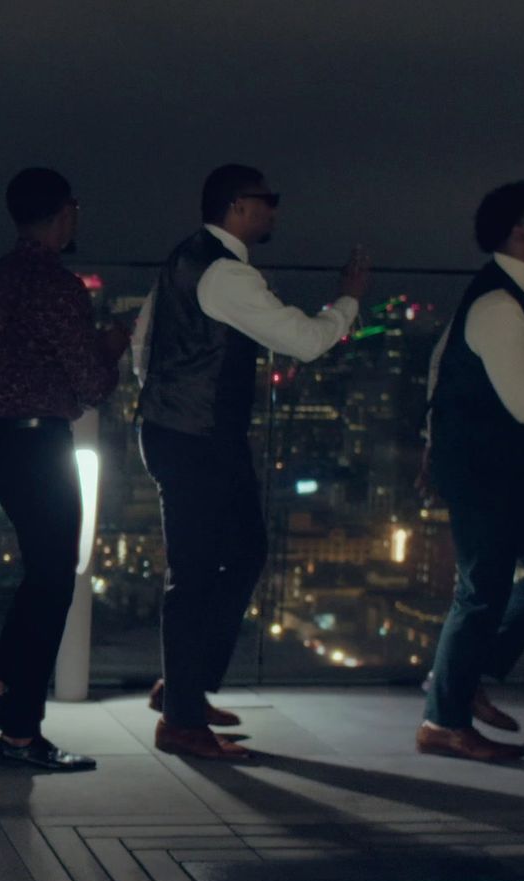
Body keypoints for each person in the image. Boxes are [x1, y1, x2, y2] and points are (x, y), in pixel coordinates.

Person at [133, 163, 367, 759]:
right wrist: (349, 299)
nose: (276, 211)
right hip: (200, 438)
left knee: (241, 555)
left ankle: (183, 690)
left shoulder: (184, 258)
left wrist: (166, 395)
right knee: (197, 574)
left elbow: (144, 341)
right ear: (240, 206)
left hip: (187, 430)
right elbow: (307, 342)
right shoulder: (227, 275)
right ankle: (182, 720)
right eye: (270, 200)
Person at [0, 168, 126, 772]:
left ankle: (0, 690)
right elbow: (90, 382)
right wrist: (111, 348)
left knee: (45, 575)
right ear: (66, 213)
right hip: (38, 443)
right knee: (55, 578)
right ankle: (20, 736)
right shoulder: (58, 287)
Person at [416, 181, 524, 762]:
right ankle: (443, 722)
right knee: (483, 591)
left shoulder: (502, 295)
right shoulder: (501, 305)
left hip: (499, 461)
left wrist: (430, 441)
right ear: (517, 233)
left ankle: (461, 678)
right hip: (484, 466)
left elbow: (440, 363)